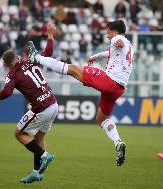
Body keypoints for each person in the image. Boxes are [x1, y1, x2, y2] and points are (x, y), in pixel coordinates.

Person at [28, 20, 133, 166]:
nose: (108, 36)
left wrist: (117, 40)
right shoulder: (130, 46)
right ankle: (118, 142)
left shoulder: (118, 39)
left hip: (110, 81)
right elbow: (112, 51)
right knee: (101, 118)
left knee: (72, 69)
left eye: (108, 33)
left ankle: (36, 57)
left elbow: (117, 41)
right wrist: (96, 56)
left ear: (115, 31)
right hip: (119, 88)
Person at [0, 24, 58, 184]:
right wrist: (50, 36)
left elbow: (8, 92)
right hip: (53, 103)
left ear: (6, 65)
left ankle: (45, 156)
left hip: (41, 108)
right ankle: (36, 172)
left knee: (19, 134)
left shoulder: (12, 74)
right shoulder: (31, 61)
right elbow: (48, 54)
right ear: (18, 58)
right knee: (38, 138)